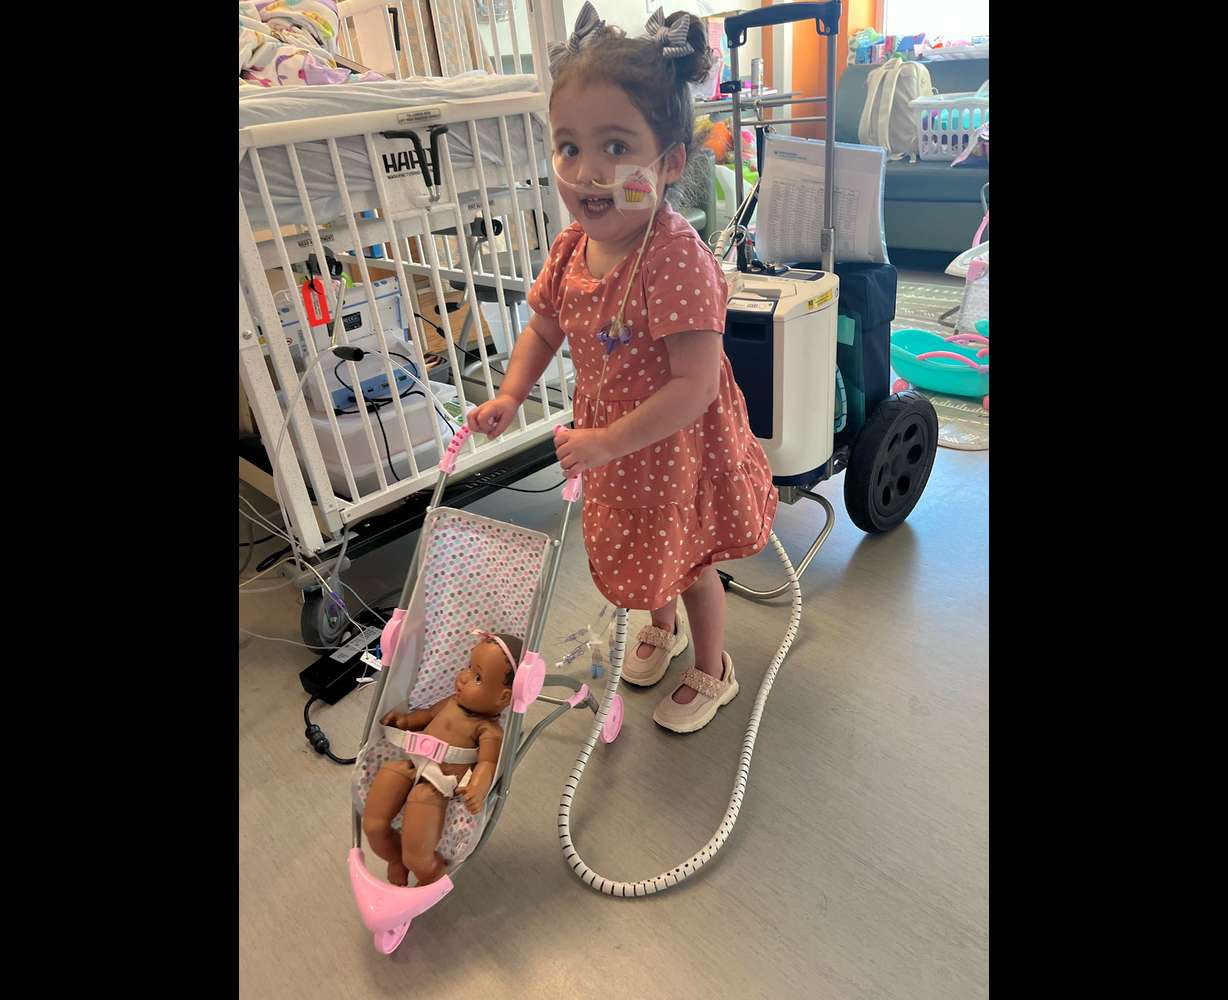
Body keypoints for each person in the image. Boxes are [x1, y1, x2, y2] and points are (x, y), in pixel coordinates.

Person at [467, 5, 777, 734]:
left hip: (674, 445)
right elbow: (543, 326)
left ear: (669, 162)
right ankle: (661, 629)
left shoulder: (674, 259)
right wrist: (510, 393)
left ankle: (713, 667)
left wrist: (607, 442)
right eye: (569, 147)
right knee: (645, 549)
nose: (588, 172)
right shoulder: (572, 248)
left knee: (687, 558)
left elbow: (694, 386)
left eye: (615, 146)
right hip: (613, 445)